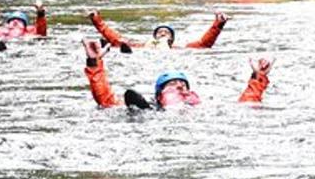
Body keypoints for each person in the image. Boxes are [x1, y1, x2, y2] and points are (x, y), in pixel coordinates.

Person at [81, 39, 272, 109]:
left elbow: (247, 106)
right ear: (158, 95)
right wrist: (94, 62)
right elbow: (106, 101)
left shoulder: (205, 107)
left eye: (182, 84)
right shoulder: (153, 109)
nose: (179, 86)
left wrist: (258, 78)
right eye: (172, 84)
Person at [88, 10, 228, 50]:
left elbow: (205, 44)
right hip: (146, 56)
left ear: (171, 38)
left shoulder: (179, 47)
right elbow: (117, 39)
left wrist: (218, 24)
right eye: (160, 32)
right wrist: (97, 20)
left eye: (166, 32)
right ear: (154, 37)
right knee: (117, 44)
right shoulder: (143, 45)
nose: (162, 33)